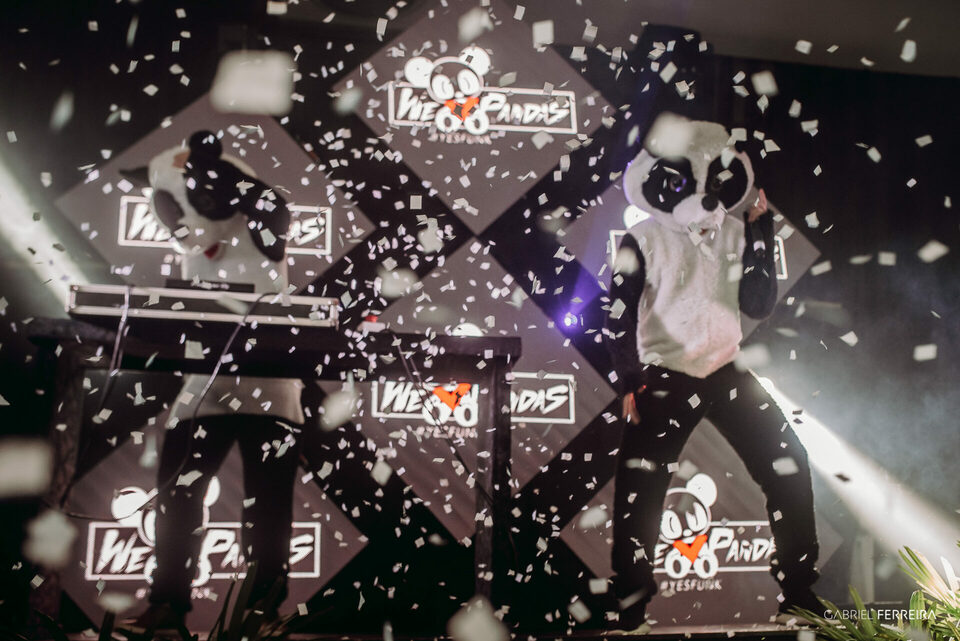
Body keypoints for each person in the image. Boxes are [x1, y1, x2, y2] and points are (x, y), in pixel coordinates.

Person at [604, 118, 820, 632]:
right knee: (640, 491)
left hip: (725, 367)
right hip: (665, 374)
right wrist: (629, 378)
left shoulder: (737, 232)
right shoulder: (642, 238)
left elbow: (758, 304)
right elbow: (616, 313)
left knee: (789, 464)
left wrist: (761, 232)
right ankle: (629, 605)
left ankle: (798, 594)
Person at [120, 131, 305, 634]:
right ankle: (166, 605)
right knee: (177, 496)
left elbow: (272, 206)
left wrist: (225, 178)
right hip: (207, 386)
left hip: (270, 388)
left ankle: (261, 610)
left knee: (268, 508)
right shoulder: (195, 243)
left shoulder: (258, 218)